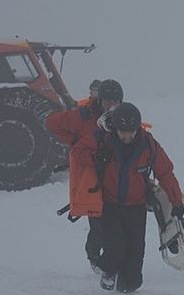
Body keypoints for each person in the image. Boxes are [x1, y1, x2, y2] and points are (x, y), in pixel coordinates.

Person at [71, 101, 184, 293]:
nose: (127, 135)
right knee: (115, 246)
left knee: (133, 270)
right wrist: (97, 157)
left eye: (131, 131)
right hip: (108, 205)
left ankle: (127, 282)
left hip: (136, 207)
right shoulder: (102, 140)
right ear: (115, 128)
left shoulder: (149, 145)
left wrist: (176, 201)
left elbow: (165, 172)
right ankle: (107, 270)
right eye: (123, 131)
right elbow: (77, 152)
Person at [46, 79, 125, 271]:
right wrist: (76, 142)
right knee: (97, 220)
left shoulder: (122, 117)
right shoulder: (82, 116)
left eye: (116, 101)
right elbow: (51, 123)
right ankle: (94, 256)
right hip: (92, 179)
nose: (112, 106)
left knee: (117, 221)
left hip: (115, 178)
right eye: (108, 101)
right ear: (100, 100)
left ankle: (113, 258)